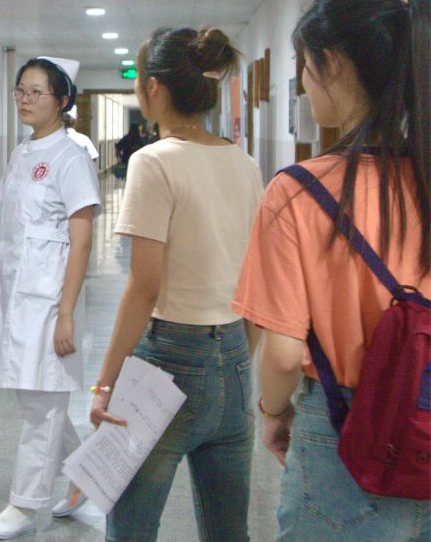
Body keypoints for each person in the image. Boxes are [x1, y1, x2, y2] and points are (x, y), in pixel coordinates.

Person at [234, 0, 431, 539]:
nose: (303, 81)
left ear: (333, 64)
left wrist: (274, 415)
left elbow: (281, 354)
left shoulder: (298, 191)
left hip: (349, 427)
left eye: (306, 64)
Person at [87, 27, 261, 541]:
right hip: (234, 354)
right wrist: (239, 357)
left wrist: (104, 385)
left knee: (131, 528)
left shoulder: (153, 161)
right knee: (228, 531)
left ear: (154, 88)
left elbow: (145, 286)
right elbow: (254, 275)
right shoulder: (245, 163)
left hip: (169, 360)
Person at [0, 56, 100, 539]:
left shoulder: (71, 156)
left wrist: (66, 313)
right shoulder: (22, 152)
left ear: (62, 101)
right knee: (34, 396)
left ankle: (24, 505)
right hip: (17, 294)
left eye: (36, 92)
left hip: (50, 298)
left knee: (44, 403)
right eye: (20, 91)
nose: (25, 100)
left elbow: (82, 238)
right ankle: (87, 474)